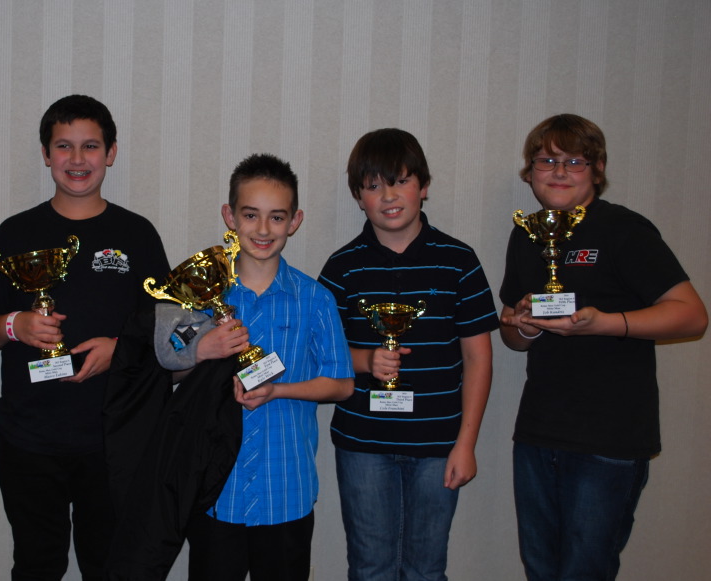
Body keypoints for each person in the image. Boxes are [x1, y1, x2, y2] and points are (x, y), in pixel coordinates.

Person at [0, 94, 169, 581]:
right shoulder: (16, 232)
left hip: (113, 439)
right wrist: (15, 325)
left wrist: (121, 350)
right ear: (46, 154)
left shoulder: (137, 234)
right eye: (63, 146)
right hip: (29, 439)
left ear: (111, 152)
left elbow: (169, 331)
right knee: (37, 565)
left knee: (110, 566)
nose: (77, 159)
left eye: (90, 146)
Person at [499, 114, 707, 580]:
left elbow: (692, 315)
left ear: (597, 169)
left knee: (585, 572)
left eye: (574, 161)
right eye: (546, 160)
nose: (558, 172)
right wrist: (524, 325)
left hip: (609, 439)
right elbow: (512, 335)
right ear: (530, 172)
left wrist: (604, 323)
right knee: (541, 569)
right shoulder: (528, 233)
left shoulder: (624, 230)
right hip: (538, 432)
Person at [318, 129, 497, 581]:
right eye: (373, 185)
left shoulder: (459, 261)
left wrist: (466, 445)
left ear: (424, 185)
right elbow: (322, 354)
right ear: (358, 197)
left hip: (439, 445)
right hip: (363, 445)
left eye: (400, 181)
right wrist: (365, 361)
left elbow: (478, 359)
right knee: (370, 568)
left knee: (426, 569)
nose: (388, 196)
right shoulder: (342, 267)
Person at [178, 153, 355, 581]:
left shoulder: (316, 299)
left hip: (286, 491)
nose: (263, 229)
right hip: (216, 491)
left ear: (294, 221)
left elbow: (342, 384)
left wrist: (278, 390)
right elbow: (168, 370)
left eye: (276, 217)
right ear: (230, 216)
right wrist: (200, 351)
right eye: (250, 214)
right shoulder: (202, 294)